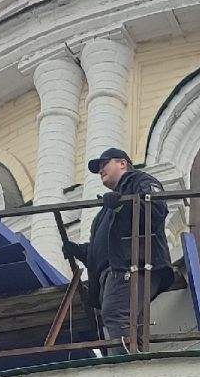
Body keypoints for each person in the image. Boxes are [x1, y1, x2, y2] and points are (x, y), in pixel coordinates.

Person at [63, 147, 175, 353]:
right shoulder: (106, 210)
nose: (100, 170)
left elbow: (155, 210)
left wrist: (121, 206)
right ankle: (135, 362)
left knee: (116, 314)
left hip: (132, 265)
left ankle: (126, 367)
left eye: (104, 163)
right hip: (114, 271)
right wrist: (80, 251)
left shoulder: (139, 181)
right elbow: (103, 250)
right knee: (127, 324)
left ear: (122, 163)